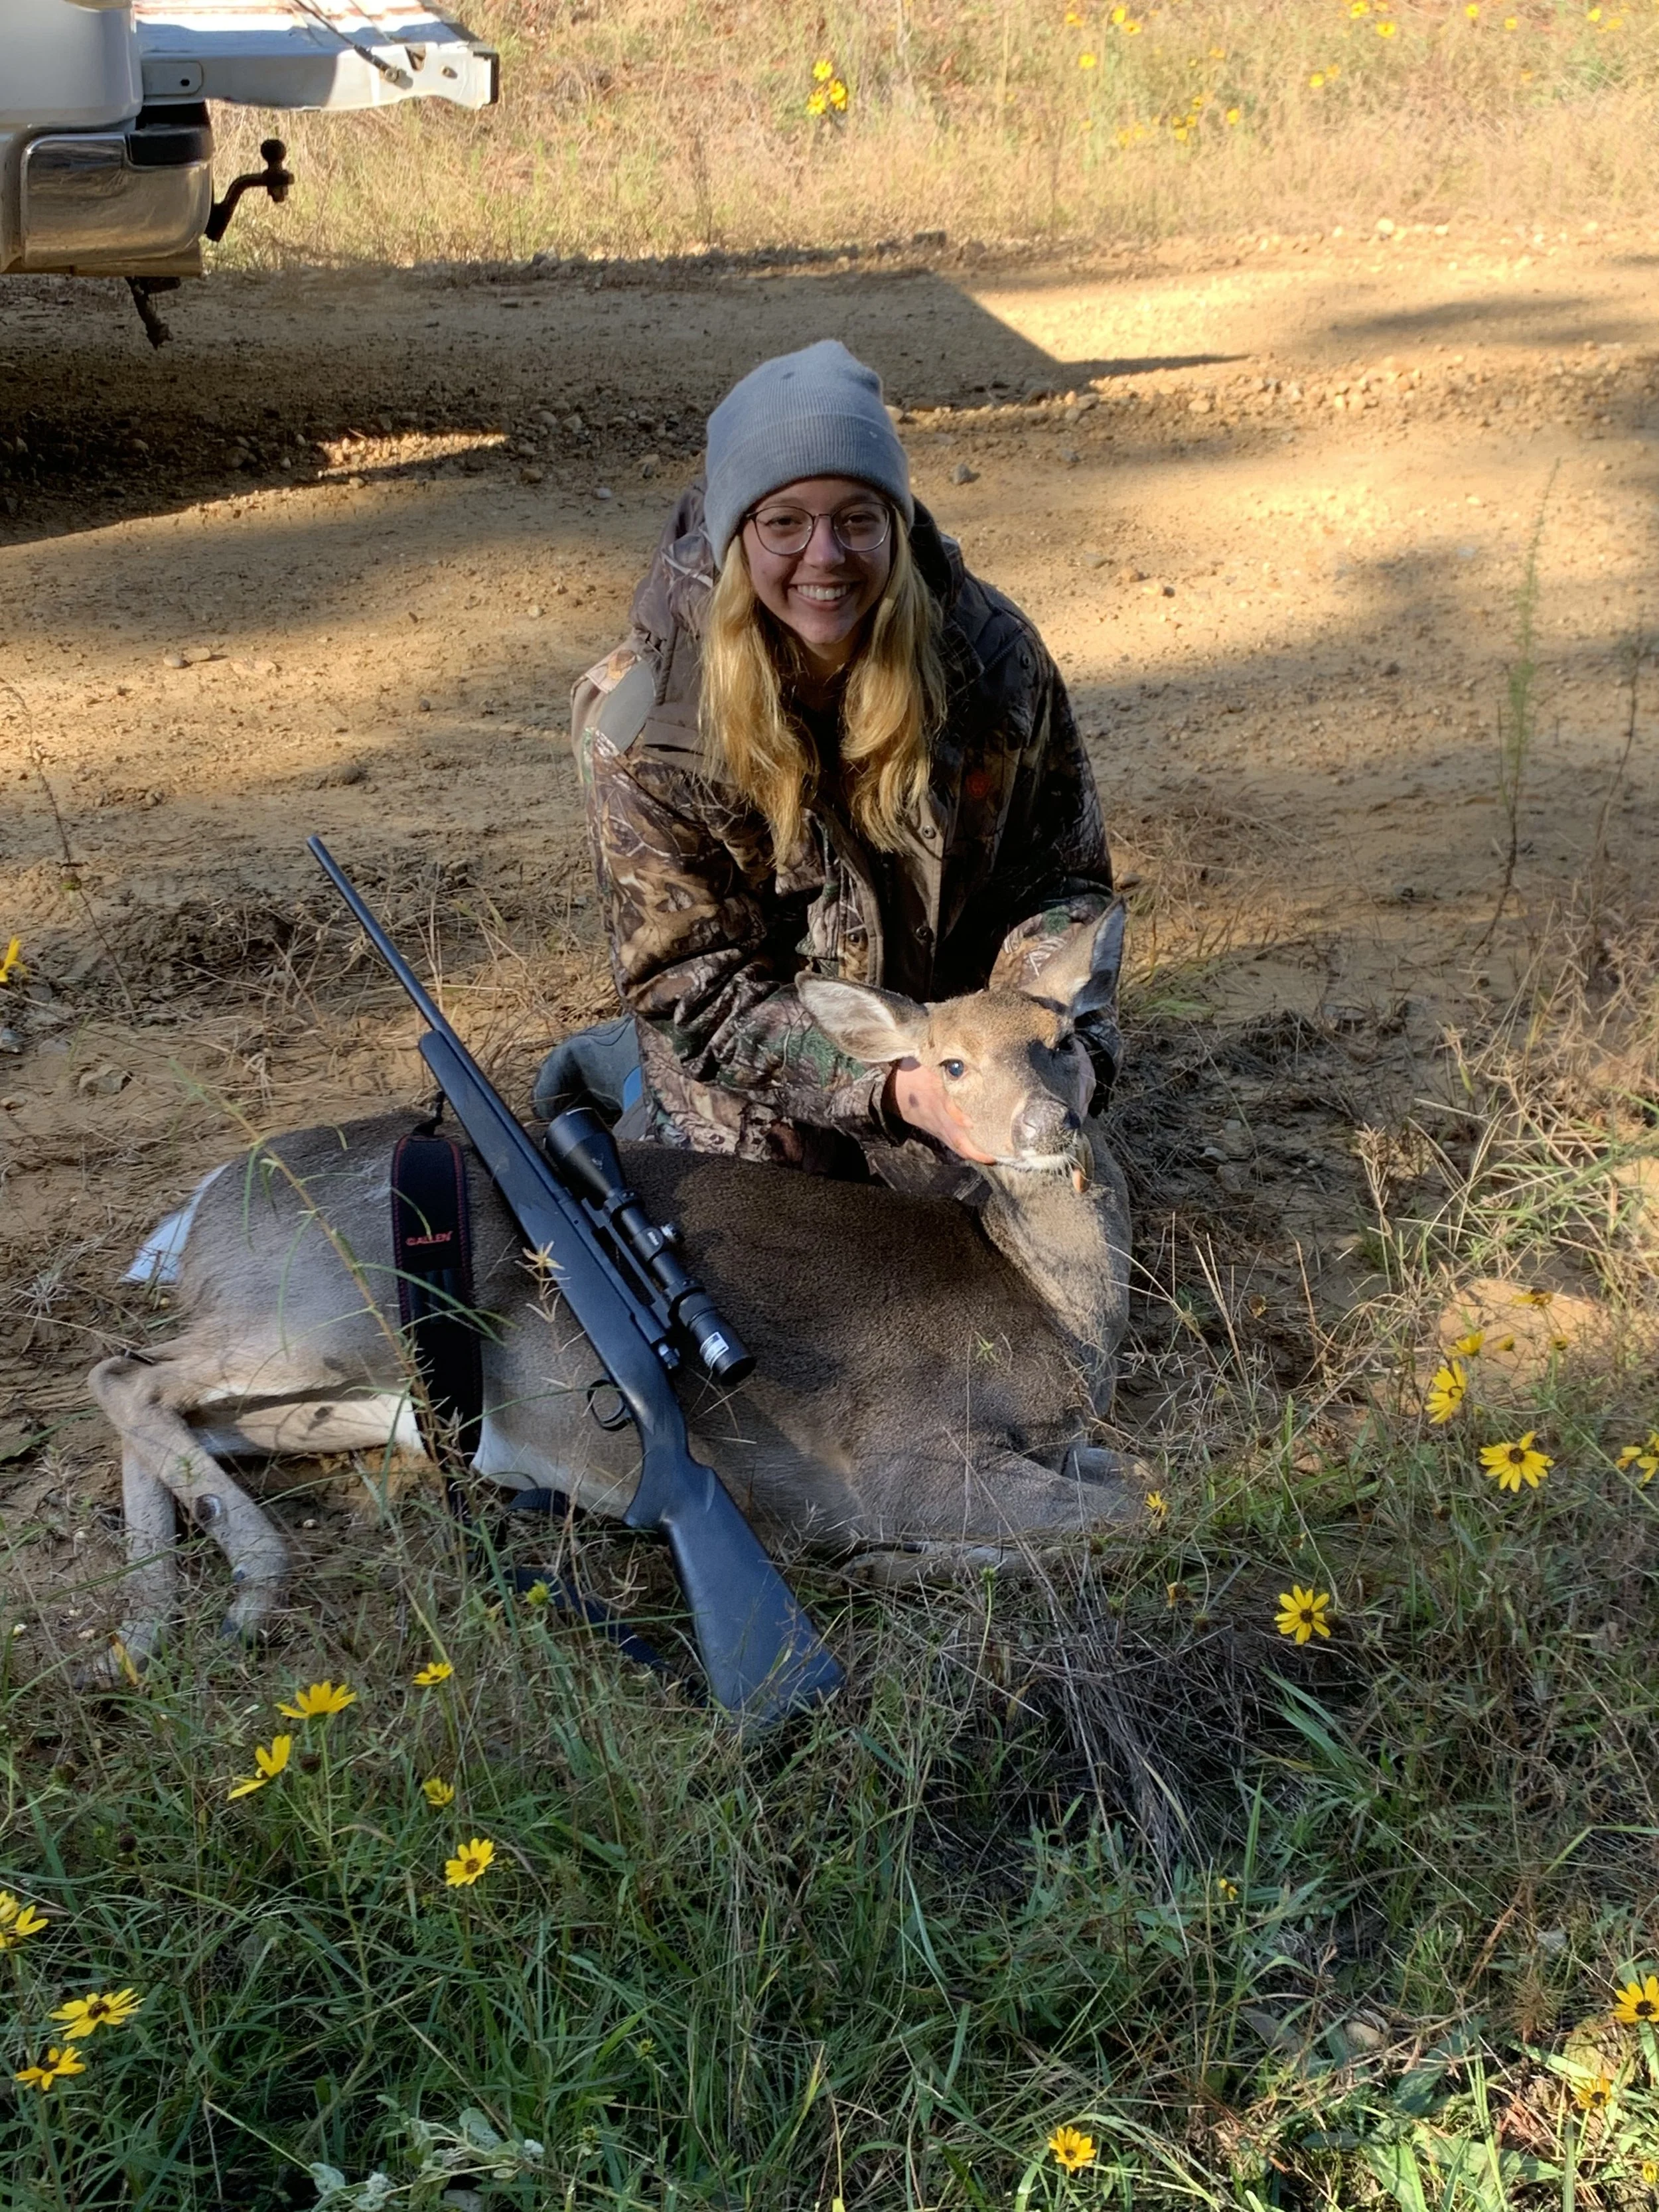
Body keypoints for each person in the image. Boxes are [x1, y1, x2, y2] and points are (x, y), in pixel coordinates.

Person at [538, 339, 1116, 1189]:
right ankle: (625, 1068)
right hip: (782, 1038)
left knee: (1040, 1185)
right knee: (763, 1205)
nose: (824, 557)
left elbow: (1063, 884)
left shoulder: (992, 663)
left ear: (895, 523)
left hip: (952, 1031)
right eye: (783, 523)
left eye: (856, 518)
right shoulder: (646, 725)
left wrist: (1040, 1038)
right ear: (738, 537)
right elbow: (694, 986)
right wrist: (890, 1089)